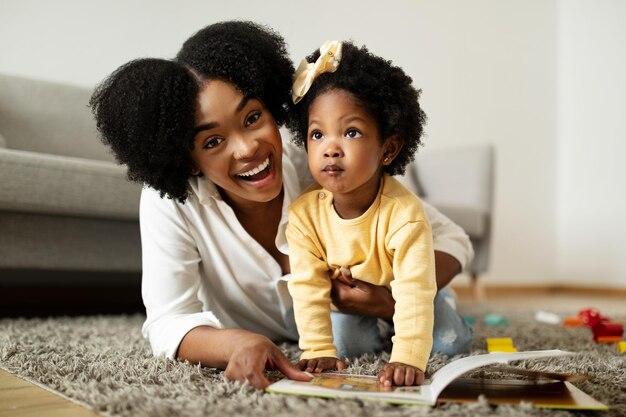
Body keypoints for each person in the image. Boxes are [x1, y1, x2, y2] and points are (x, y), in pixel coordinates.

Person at [89, 20, 473, 390]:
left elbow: (451, 238)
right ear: (189, 160)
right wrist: (235, 343)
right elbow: (169, 320)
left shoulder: (321, 162)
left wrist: (391, 299)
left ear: (273, 108)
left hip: (384, 318)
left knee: (445, 334)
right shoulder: (171, 201)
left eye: (253, 117)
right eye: (212, 142)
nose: (247, 148)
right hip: (328, 343)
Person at [286, 40, 436, 386]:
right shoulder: (303, 215)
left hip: (408, 292)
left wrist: (408, 357)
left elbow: (413, 290)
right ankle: (386, 328)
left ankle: (444, 311)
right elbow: (307, 286)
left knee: (448, 339)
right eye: (317, 134)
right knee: (350, 344)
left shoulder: (405, 214)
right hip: (355, 303)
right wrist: (316, 347)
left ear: (388, 149)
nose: (330, 149)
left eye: (351, 132)